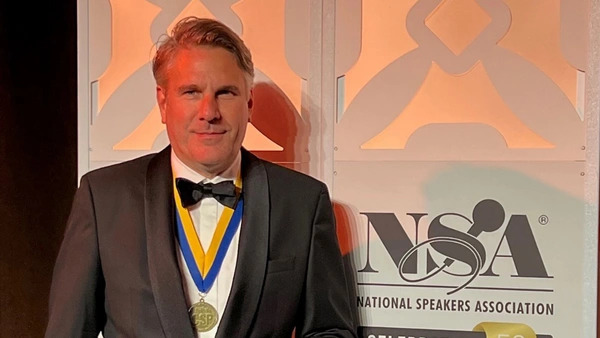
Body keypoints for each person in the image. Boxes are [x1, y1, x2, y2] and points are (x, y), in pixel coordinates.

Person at [44, 16, 357, 338]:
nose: (209, 112)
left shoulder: (301, 202)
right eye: (191, 92)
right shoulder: (104, 197)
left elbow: (329, 330)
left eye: (226, 93)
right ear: (163, 103)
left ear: (249, 104)